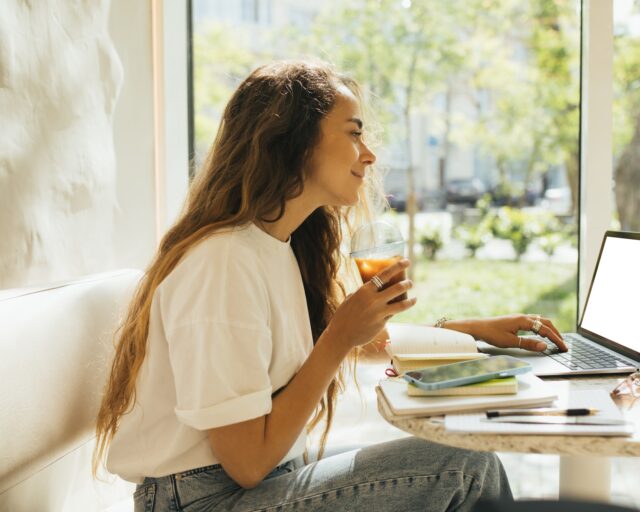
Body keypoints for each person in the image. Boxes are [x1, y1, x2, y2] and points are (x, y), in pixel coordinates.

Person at [94, 60, 567, 512]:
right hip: (206, 499)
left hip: (245, 481)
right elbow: (248, 464)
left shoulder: (274, 245)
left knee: (457, 457)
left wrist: (471, 332)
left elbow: (352, 344)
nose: (370, 154)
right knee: (466, 468)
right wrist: (339, 336)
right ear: (295, 143)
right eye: (354, 133)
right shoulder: (223, 263)